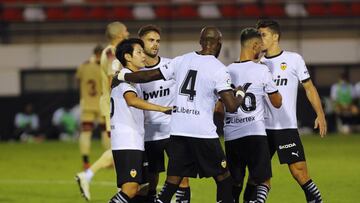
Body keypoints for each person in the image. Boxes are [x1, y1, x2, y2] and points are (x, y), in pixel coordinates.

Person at [117, 26, 244, 203]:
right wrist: (239, 94)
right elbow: (231, 106)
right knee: (224, 178)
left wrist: (123, 76)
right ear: (219, 44)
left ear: (200, 42)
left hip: (178, 131)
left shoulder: (181, 60)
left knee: (172, 182)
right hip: (202, 133)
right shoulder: (219, 69)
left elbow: (148, 76)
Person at [242, 19, 327, 203]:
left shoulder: (293, 59)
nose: (259, 39)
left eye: (263, 35)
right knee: (257, 176)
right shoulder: (256, 64)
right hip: (261, 129)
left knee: (299, 173)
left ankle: (316, 200)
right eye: (258, 35)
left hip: (286, 127)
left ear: (275, 37)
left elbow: (309, 88)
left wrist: (320, 114)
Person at [215, 27, 282, 203]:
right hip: (255, 135)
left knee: (235, 182)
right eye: (260, 46)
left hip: (232, 137)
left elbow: (218, 110)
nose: (262, 50)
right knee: (263, 180)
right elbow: (277, 102)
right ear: (254, 45)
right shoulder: (262, 70)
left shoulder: (226, 71)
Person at [108, 38, 172, 203]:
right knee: (130, 189)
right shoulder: (125, 79)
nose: (144, 56)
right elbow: (132, 100)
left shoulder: (131, 80)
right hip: (126, 141)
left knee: (142, 189)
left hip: (136, 140)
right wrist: (162, 109)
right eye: (139, 52)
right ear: (128, 57)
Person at [75, 21, 129, 201]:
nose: (128, 32)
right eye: (126, 30)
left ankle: (130, 184)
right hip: (114, 107)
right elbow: (111, 81)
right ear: (120, 34)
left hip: (113, 106)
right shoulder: (112, 53)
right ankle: (87, 175)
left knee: (121, 148)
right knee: (118, 149)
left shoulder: (113, 52)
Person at [137, 24, 191, 203]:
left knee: (182, 175)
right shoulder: (135, 73)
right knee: (151, 180)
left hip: (174, 130)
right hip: (149, 133)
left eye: (158, 41)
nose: (155, 44)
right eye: (150, 40)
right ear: (140, 43)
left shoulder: (172, 65)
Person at [76, 44, 107, 169]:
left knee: (86, 133)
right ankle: (110, 160)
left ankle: (85, 161)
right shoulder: (104, 66)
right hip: (102, 104)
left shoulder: (83, 66)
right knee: (106, 132)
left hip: (87, 103)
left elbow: (77, 80)